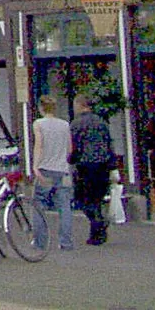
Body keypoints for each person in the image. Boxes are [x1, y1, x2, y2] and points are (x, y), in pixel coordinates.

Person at [68, 98, 115, 246]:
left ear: (80, 105)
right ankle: (97, 232)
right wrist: (112, 164)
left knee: (82, 199)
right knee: (97, 198)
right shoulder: (102, 122)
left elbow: (74, 144)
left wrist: (71, 159)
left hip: (85, 164)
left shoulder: (76, 124)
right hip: (103, 164)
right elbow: (109, 143)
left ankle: (98, 223)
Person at [30, 96, 74, 252]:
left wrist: (35, 166)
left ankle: (40, 242)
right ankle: (65, 241)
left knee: (38, 205)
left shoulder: (39, 124)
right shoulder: (65, 125)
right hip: (62, 170)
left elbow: (39, 146)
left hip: (45, 169)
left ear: (41, 108)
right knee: (65, 206)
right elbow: (69, 149)